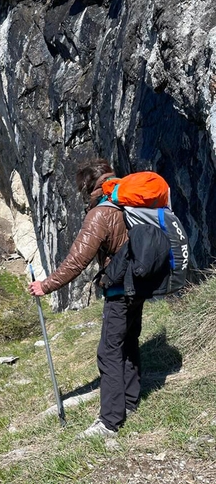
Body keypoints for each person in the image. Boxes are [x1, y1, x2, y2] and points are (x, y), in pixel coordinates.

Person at [28, 158, 146, 438]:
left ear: (88, 186)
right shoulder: (130, 202)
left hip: (120, 290)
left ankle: (109, 422)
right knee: (128, 342)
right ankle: (129, 401)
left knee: (108, 352)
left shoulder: (101, 213)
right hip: (142, 283)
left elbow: (76, 261)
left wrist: (46, 285)